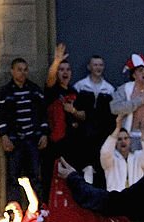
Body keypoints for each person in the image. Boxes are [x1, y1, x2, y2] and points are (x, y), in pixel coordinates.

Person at [0, 57, 48, 206]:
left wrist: (43, 134)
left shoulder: (35, 90)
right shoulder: (3, 93)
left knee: (35, 177)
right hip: (14, 140)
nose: (22, 73)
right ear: (12, 71)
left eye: (25, 69)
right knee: (13, 177)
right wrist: (3, 136)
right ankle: (14, 212)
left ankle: (39, 213)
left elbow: (43, 113)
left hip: (32, 140)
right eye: (19, 69)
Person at [43, 44, 84, 201]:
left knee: (71, 175)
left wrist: (72, 111)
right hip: (55, 141)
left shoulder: (74, 92)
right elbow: (50, 79)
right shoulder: (53, 91)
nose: (64, 72)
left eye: (67, 69)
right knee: (50, 175)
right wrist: (57, 61)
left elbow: (83, 116)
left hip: (72, 142)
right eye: (61, 69)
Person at [110, 54, 144, 160]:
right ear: (134, 74)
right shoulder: (124, 89)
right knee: (129, 173)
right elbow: (115, 108)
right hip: (129, 138)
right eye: (140, 70)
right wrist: (138, 101)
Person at [72, 54, 116, 186]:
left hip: (101, 136)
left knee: (100, 168)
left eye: (101, 65)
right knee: (83, 167)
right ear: (89, 67)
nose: (98, 67)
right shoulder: (80, 86)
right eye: (95, 65)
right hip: (83, 136)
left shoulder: (109, 89)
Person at [100, 114, 144, 191]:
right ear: (115, 142)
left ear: (130, 141)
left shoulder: (137, 157)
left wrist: (143, 134)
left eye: (125, 138)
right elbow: (105, 152)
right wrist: (118, 128)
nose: (123, 141)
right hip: (116, 199)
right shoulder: (111, 160)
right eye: (119, 139)